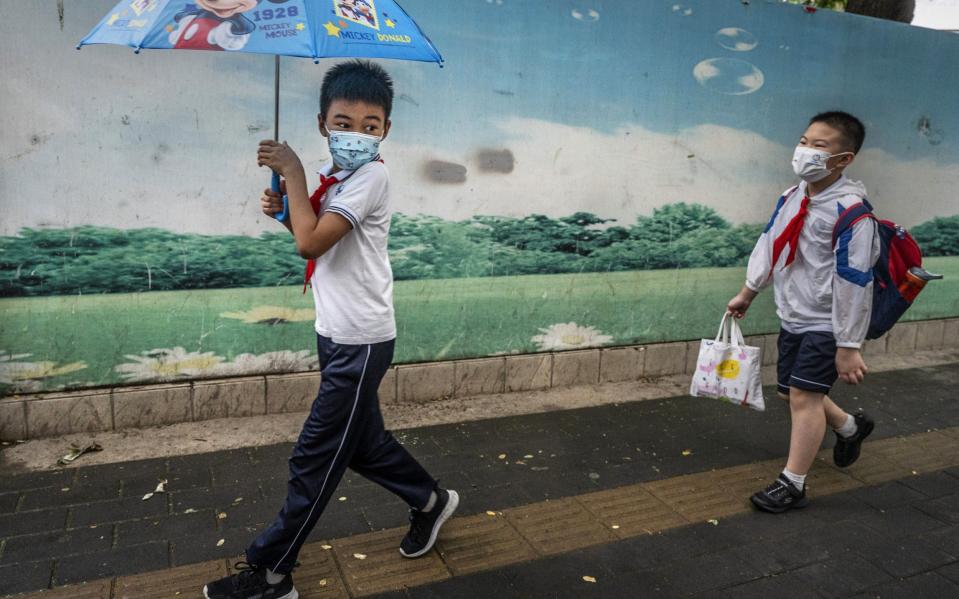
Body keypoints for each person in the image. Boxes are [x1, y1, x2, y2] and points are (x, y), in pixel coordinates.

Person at [204, 60, 459, 599]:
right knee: (362, 445)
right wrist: (285, 210)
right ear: (323, 123)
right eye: (344, 123)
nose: (357, 134)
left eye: (371, 126)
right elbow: (311, 231)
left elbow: (312, 243)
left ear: (386, 131)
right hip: (338, 334)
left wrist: (293, 175)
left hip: (360, 343)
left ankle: (272, 575)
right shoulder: (341, 177)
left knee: (315, 456)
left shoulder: (371, 176)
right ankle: (431, 500)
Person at [726, 111, 878, 513]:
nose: (805, 151)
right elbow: (770, 244)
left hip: (826, 321)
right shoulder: (792, 196)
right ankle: (850, 427)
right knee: (788, 391)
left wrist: (848, 344)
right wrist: (748, 291)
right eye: (804, 141)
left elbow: (854, 279)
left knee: (804, 398)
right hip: (793, 312)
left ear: (843, 159)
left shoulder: (852, 212)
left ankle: (792, 484)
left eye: (819, 145)